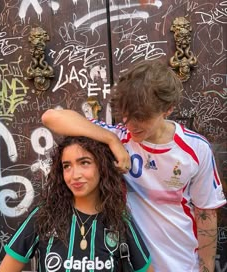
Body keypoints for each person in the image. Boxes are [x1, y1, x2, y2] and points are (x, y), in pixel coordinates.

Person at [41, 59, 227, 272]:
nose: (131, 124)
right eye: (126, 115)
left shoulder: (196, 149)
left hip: (180, 263)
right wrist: (112, 141)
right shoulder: (118, 136)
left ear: (168, 109)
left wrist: (206, 269)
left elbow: (206, 215)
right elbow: (51, 117)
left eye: (141, 117)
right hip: (127, 263)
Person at [0, 136, 153, 272]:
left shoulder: (119, 219)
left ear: (102, 167)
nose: (74, 175)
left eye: (84, 163)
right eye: (67, 166)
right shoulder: (44, 216)